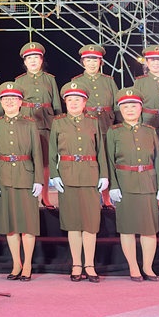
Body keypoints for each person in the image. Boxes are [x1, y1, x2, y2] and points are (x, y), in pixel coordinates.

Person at [49, 83, 109, 282]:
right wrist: (55, 175)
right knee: (73, 223)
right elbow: (52, 151)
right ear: (65, 102)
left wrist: (104, 175)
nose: (73, 103)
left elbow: (101, 150)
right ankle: (76, 264)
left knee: (90, 223)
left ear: (85, 103)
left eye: (78, 100)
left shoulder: (93, 122)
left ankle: (89, 265)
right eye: (70, 100)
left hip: (90, 175)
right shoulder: (58, 123)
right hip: (67, 176)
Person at [106, 88, 159, 282]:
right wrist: (113, 186)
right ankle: (133, 267)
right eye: (125, 107)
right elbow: (109, 160)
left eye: (133, 106)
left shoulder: (150, 131)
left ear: (141, 108)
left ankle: (148, 267)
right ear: (120, 110)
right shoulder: (113, 132)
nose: (130, 110)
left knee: (149, 228)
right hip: (124, 184)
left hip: (148, 183)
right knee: (127, 228)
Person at [0, 82, 44, 281]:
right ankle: (16, 264)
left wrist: (38, 179)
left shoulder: (29, 124)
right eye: (6, 99)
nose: (10, 102)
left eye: (14, 99)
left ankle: (27, 264)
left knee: (27, 224)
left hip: (26, 176)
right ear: (1, 102)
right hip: (3, 177)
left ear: (21, 102)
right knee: (9, 223)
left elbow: (37, 153)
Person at [13, 42, 61, 207]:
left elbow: (56, 104)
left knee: (45, 162)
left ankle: (45, 196)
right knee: (27, 160)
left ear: (41, 60)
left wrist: (58, 124)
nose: (33, 61)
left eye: (36, 57)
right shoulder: (19, 81)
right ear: (25, 62)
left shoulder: (50, 79)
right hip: (26, 122)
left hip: (46, 122)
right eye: (29, 58)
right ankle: (29, 196)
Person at [71, 44, 120, 207]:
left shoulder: (109, 81)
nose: (92, 63)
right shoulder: (77, 82)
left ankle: (107, 199)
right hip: (86, 128)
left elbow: (116, 106)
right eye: (88, 60)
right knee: (90, 163)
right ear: (83, 62)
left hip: (107, 125)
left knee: (107, 161)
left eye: (95, 60)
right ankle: (91, 198)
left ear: (100, 62)